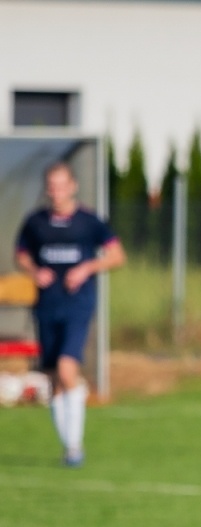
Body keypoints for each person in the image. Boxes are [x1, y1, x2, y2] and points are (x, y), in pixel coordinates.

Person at [13, 161, 124, 467]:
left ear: (73, 186)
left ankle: (75, 446)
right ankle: (69, 447)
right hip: (47, 306)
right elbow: (21, 253)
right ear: (47, 189)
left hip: (78, 304)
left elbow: (117, 255)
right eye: (52, 186)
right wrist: (35, 271)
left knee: (65, 369)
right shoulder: (36, 223)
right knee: (53, 380)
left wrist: (87, 267)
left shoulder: (89, 222)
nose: (57, 192)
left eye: (62, 186)